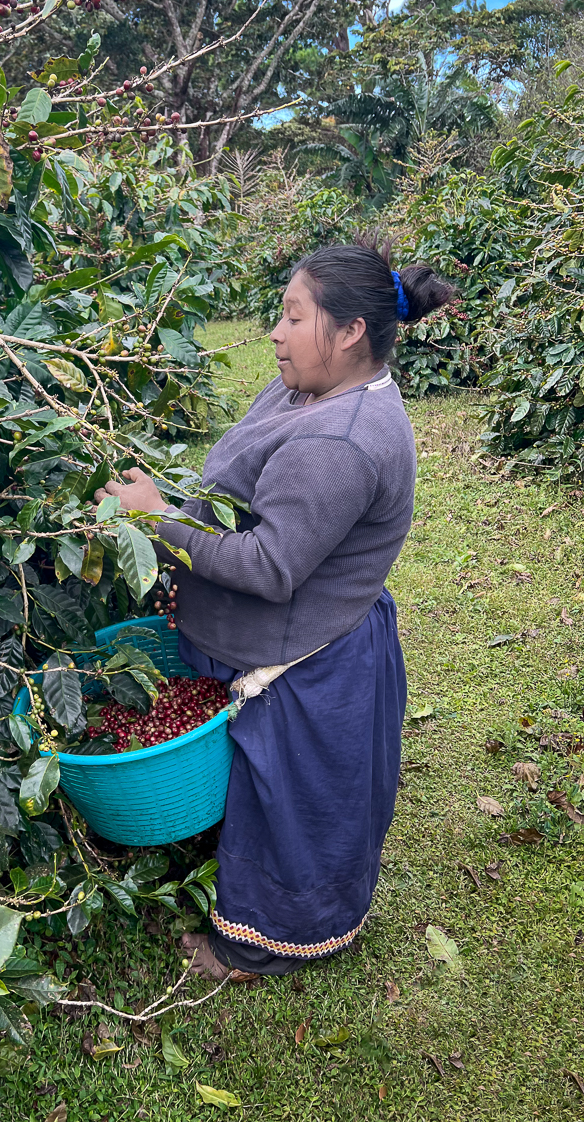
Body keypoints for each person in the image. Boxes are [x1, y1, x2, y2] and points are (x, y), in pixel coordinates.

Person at [94, 240, 455, 979]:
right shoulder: (309, 391)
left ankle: (262, 942)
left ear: (351, 330)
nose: (275, 333)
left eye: (294, 317)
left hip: (304, 660)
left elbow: (270, 564)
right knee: (268, 793)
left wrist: (158, 520)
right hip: (296, 639)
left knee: (293, 811)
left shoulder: (344, 441)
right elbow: (240, 491)